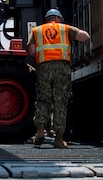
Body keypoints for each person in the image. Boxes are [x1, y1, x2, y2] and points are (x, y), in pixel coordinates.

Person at [26, 8, 89, 148]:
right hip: (62, 68)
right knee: (60, 101)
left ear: (47, 19)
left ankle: (40, 132)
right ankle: (59, 139)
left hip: (44, 68)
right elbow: (85, 37)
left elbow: (31, 51)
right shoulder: (65, 28)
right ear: (58, 18)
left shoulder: (37, 31)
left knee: (43, 99)